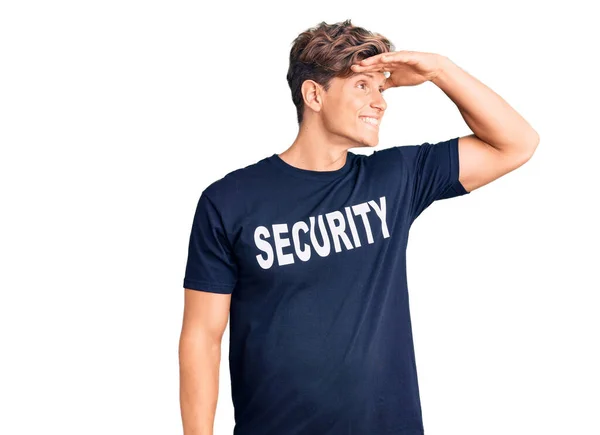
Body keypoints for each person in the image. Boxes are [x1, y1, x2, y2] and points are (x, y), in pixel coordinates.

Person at [179, 19, 539, 435]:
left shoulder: (397, 177)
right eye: (362, 86)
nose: (380, 103)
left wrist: (441, 70)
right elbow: (201, 339)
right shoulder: (229, 200)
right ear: (314, 95)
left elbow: (517, 143)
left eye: (381, 89)